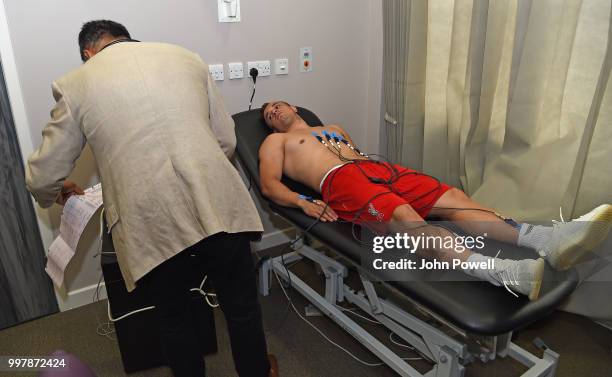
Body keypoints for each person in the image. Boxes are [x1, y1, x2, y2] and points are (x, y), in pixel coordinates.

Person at [26, 20, 278, 377]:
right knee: (241, 308)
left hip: (149, 217)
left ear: (88, 53)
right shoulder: (186, 57)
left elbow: (42, 176)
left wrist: (54, 194)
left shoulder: (74, 84)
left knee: (174, 319)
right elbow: (226, 141)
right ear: (125, 38)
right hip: (217, 200)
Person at [258, 100, 612, 301]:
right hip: (338, 181)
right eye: (267, 114)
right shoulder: (275, 143)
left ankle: (544, 239)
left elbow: (358, 153)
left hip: (379, 169)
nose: (273, 110)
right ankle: (504, 273)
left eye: (277, 104)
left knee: (455, 199)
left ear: (293, 105)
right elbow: (270, 186)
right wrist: (304, 202)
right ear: (271, 127)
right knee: (407, 219)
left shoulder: (331, 125)